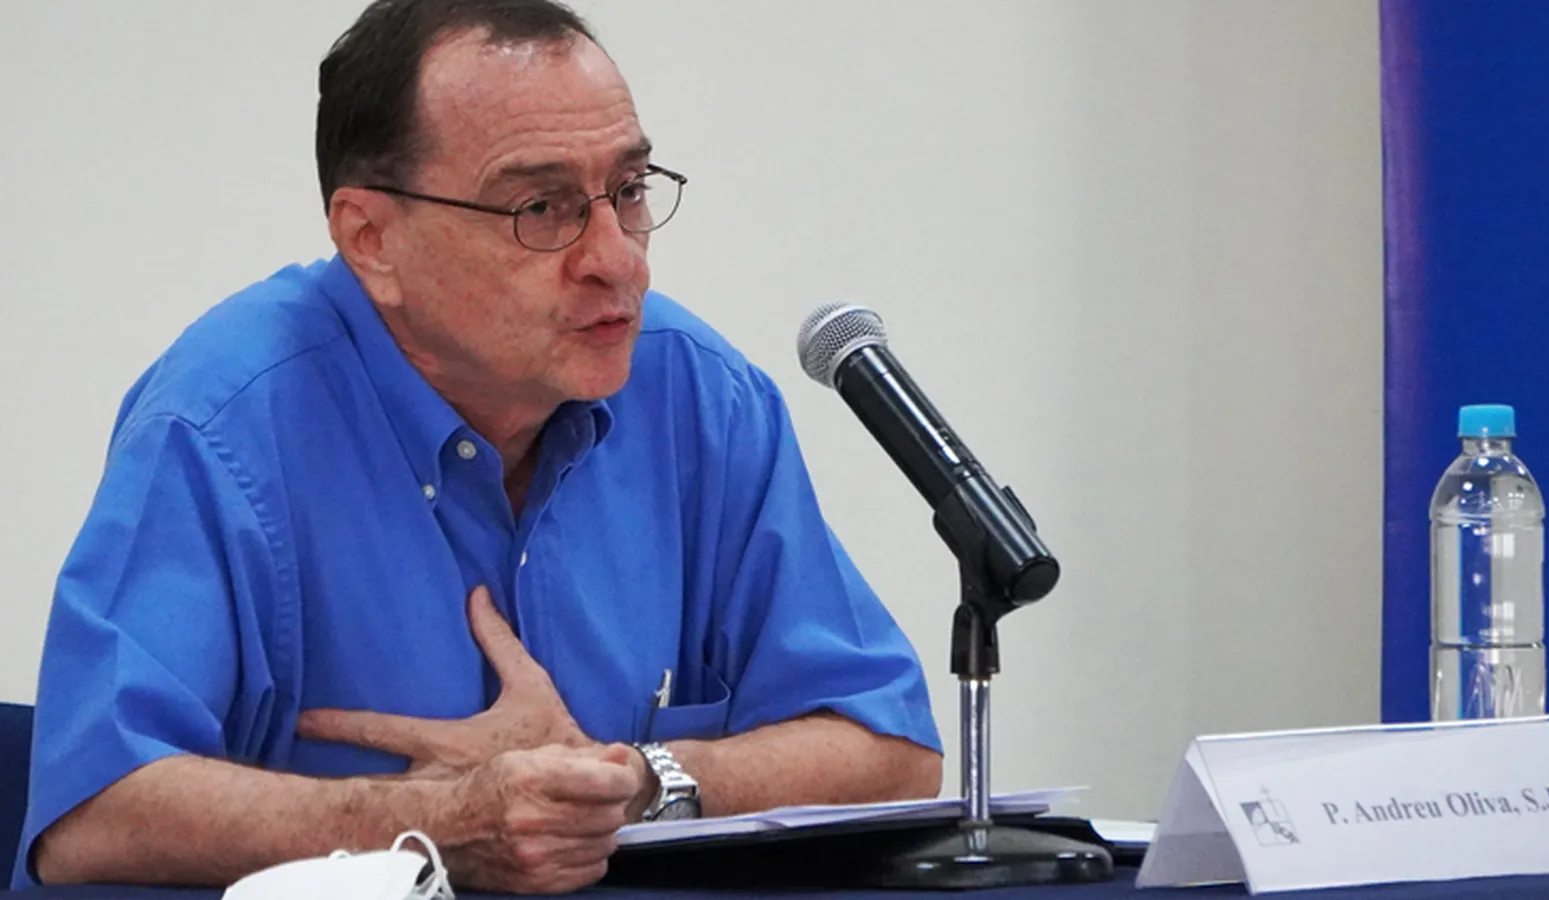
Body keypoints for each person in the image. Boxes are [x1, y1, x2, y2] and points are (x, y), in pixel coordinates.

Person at [15, 0, 942, 893]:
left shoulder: (698, 395)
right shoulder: (220, 425)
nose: (618, 258)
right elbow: (93, 818)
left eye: (628, 191)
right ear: (371, 239)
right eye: (540, 207)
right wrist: (439, 824)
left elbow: (890, 751)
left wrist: (632, 779)